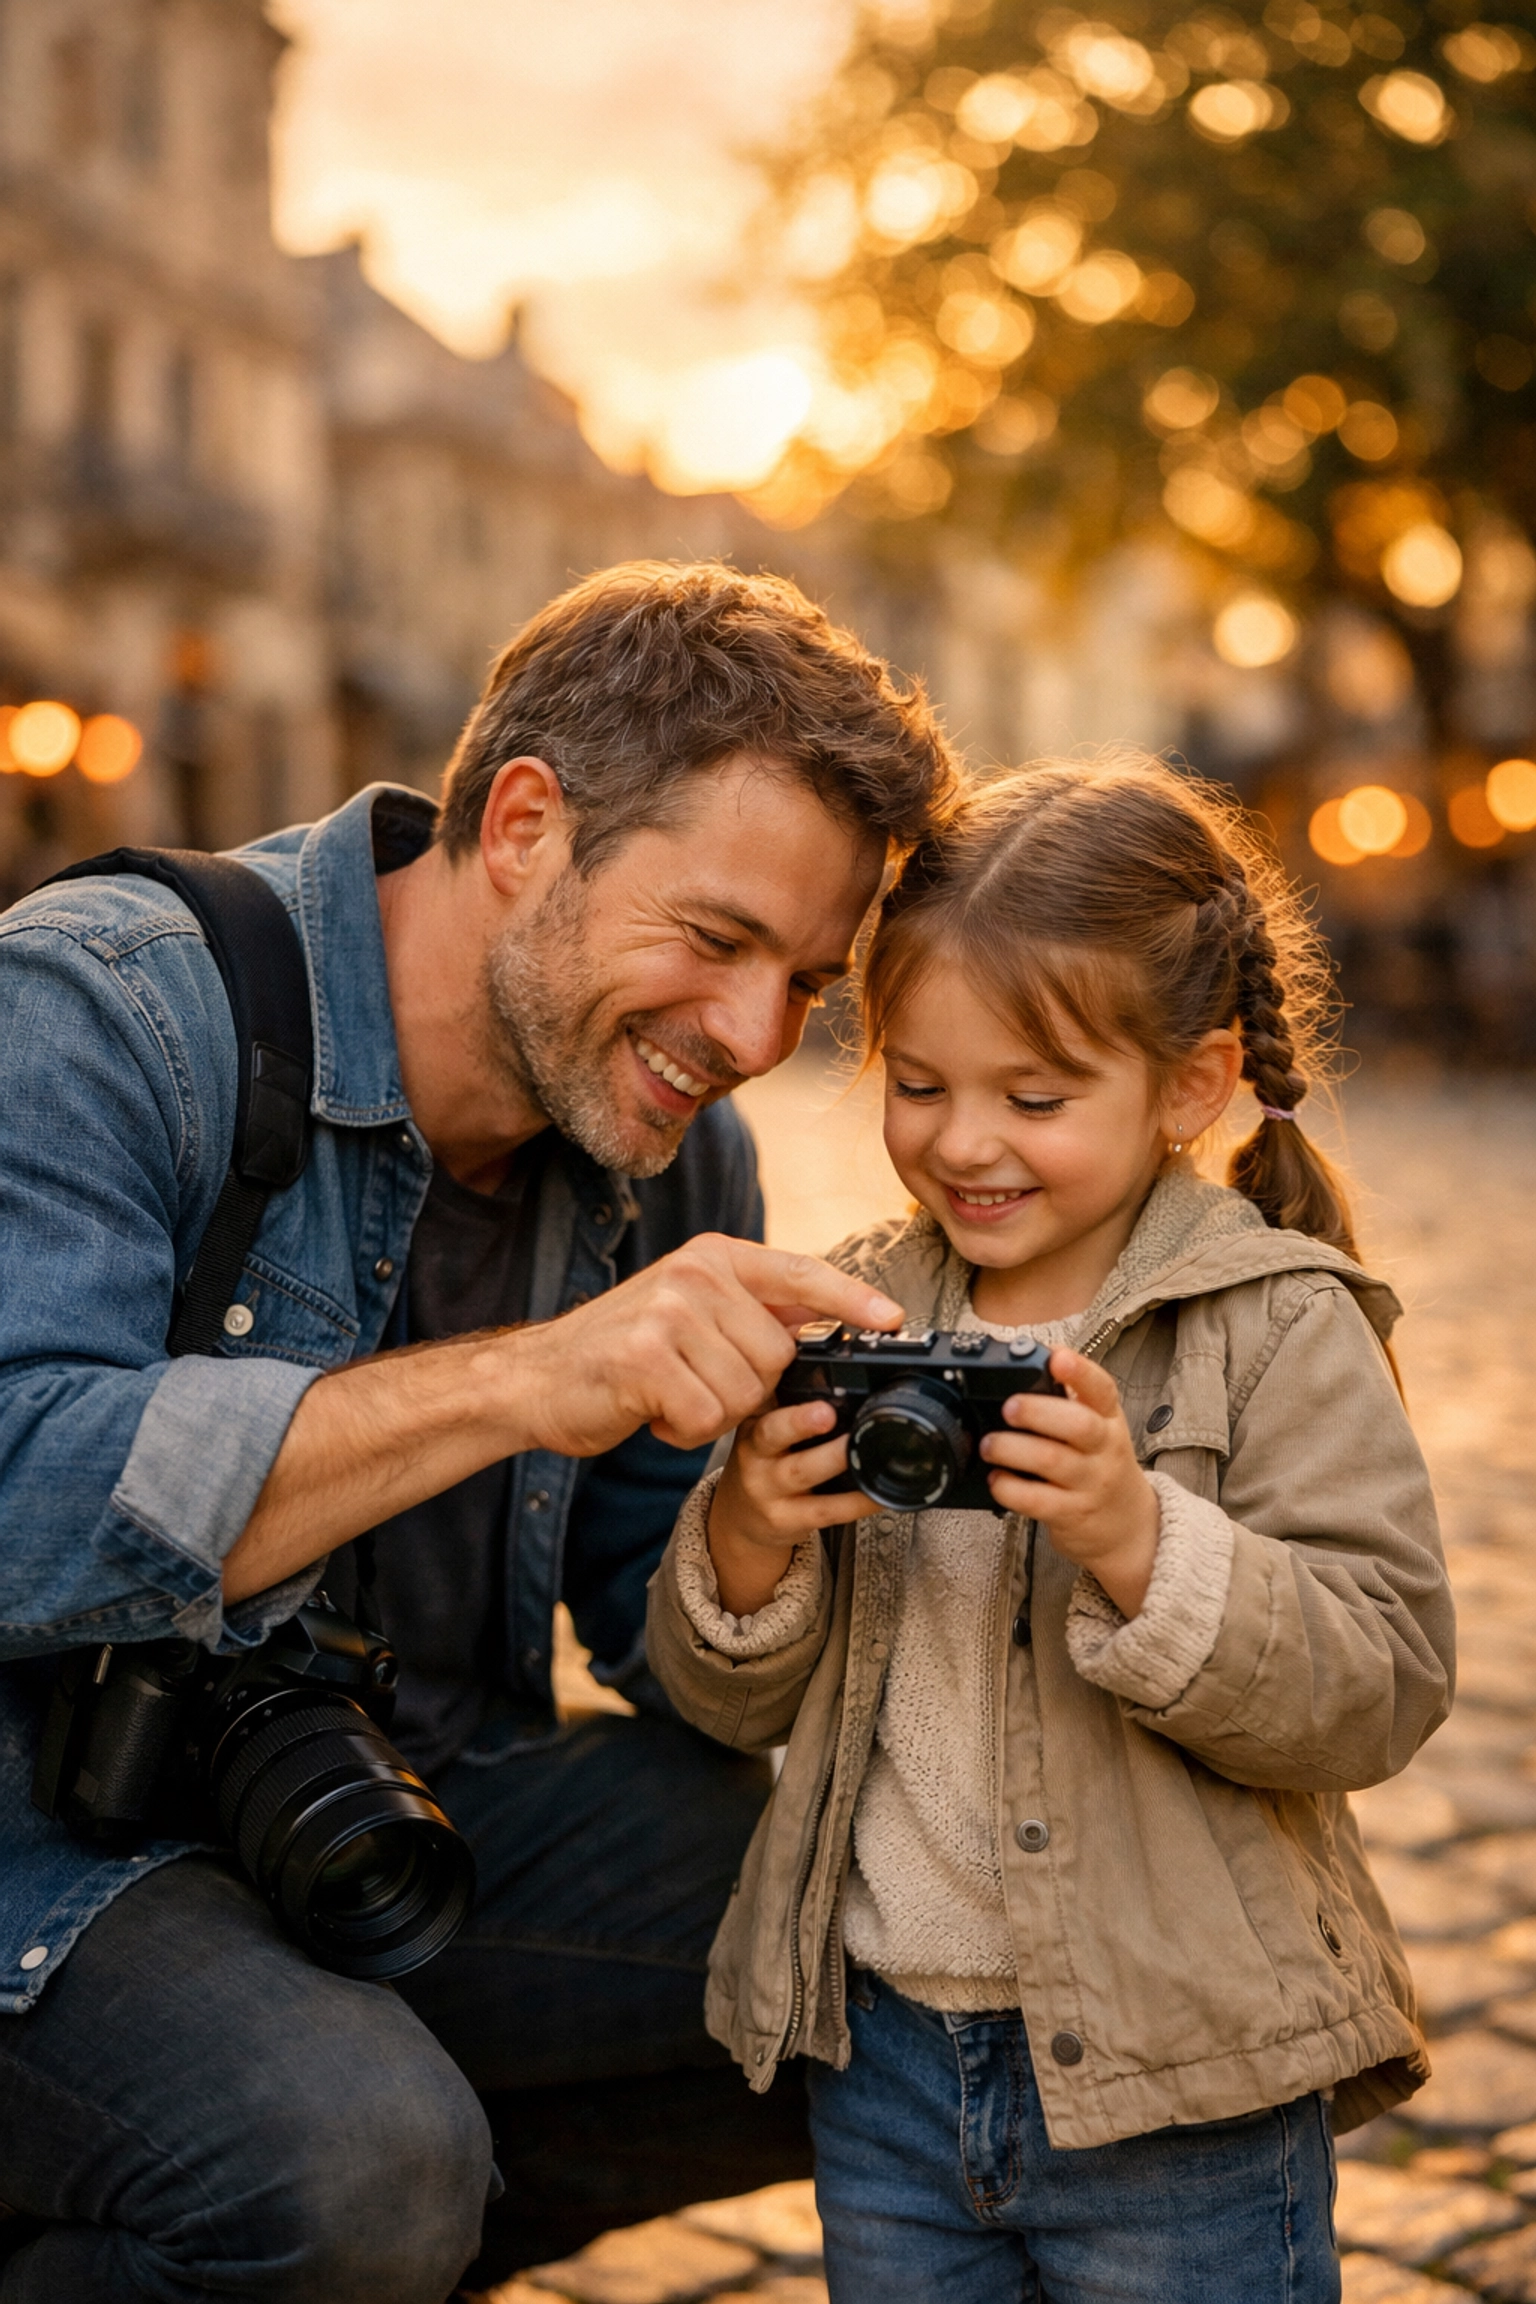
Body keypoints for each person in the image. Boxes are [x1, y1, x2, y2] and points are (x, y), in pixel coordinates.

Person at [0, 560, 958, 2303]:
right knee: (363, 2165)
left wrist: (778, 1528)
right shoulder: (107, 1004)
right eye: (718, 939)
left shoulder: (671, 1152)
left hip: (403, 1821)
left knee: (947, 1916)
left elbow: (667, 1655)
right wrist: (525, 1378)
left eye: (810, 980)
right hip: (45, 1856)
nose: (753, 1037)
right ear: (524, 823)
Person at [648, 755, 1454, 2304]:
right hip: (883, 2059)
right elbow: (729, 1696)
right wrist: (749, 1534)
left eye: (1035, 1097)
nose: (965, 1144)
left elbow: (1385, 1675)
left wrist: (1138, 1536)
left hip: (1180, 2085)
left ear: (1192, 1086)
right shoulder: (863, 1308)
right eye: (919, 1083)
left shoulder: (1276, 1324)